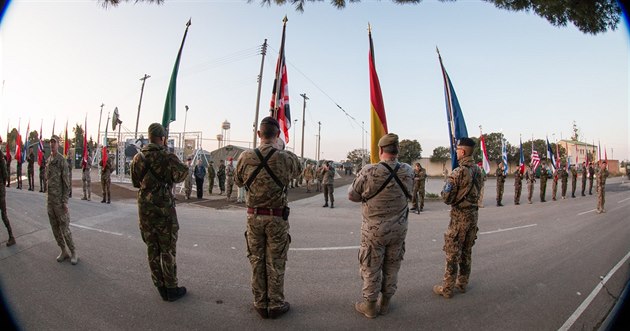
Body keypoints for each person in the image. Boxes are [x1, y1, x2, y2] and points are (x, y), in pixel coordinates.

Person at [234, 117, 301, 319]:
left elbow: (238, 181)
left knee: (256, 260)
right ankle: (276, 304)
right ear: (278, 135)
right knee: (276, 261)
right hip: (277, 218)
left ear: (258, 135)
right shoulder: (286, 157)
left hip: (254, 217)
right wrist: (279, 150)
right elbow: (298, 172)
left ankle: (260, 303)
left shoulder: (245, 157)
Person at [347, 133, 413, 318]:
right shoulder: (408, 170)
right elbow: (411, 194)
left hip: (374, 231)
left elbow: (352, 196)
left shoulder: (369, 171)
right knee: (392, 265)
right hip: (399, 230)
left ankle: (369, 306)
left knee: (371, 266)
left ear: (380, 150)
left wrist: (367, 198)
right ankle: (385, 303)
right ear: (397, 150)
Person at [131, 123, 188, 302]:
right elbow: (181, 175)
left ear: (149, 137)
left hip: (145, 209)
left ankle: (160, 286)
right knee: (167, 248)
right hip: (164, 209)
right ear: (162, 138)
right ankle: (171, 287)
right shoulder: (167, 157)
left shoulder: (137, 158)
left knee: (152, 247)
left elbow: (135, 183)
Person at [433, 137, 481, 299]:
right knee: (467, 251)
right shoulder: (478, 171)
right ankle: (462, 283)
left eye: (458, 149)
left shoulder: (458, 172)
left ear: (463, 151)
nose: (456, 152)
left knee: (453, 252)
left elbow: (446, 197)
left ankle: (447, 288)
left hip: (459, 217)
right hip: (473, 216)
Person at [46, 135, 78, 264]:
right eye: (51, 143)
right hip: (50, 201)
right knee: (55, 228)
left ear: (58, 144)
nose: (52, 145)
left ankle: (74, 251)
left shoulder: (61, 161)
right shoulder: (49, 160)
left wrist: (65, 201)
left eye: (54, 142)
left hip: (59, 202)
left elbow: (66, 184)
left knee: (65, 229)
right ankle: (63, 250)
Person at [0, 137, 16, 246]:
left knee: (3, 214)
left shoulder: (1, 157)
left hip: (0, 189)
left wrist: (2, 185)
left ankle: (11, 237)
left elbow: (5, 174)